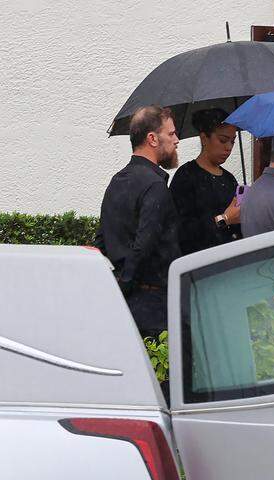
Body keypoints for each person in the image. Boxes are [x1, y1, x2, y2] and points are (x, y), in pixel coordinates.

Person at [94, 105, 182, 338]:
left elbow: (101, 241)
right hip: (153, 310)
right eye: (171, 134)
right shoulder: (154, 185)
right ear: (152, 139)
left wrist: (116, 292)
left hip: (124, 308)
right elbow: (144, 246)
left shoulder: (117, 180)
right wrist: (124, 286)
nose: (177, 140)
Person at [169, 108, 240, 254]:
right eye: (223, 140)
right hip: (200, 262)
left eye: (233, 142)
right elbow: (181, 230)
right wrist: (224, 219)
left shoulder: (229, 179)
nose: (229, 148)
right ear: (204, 138)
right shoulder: (186, 176)